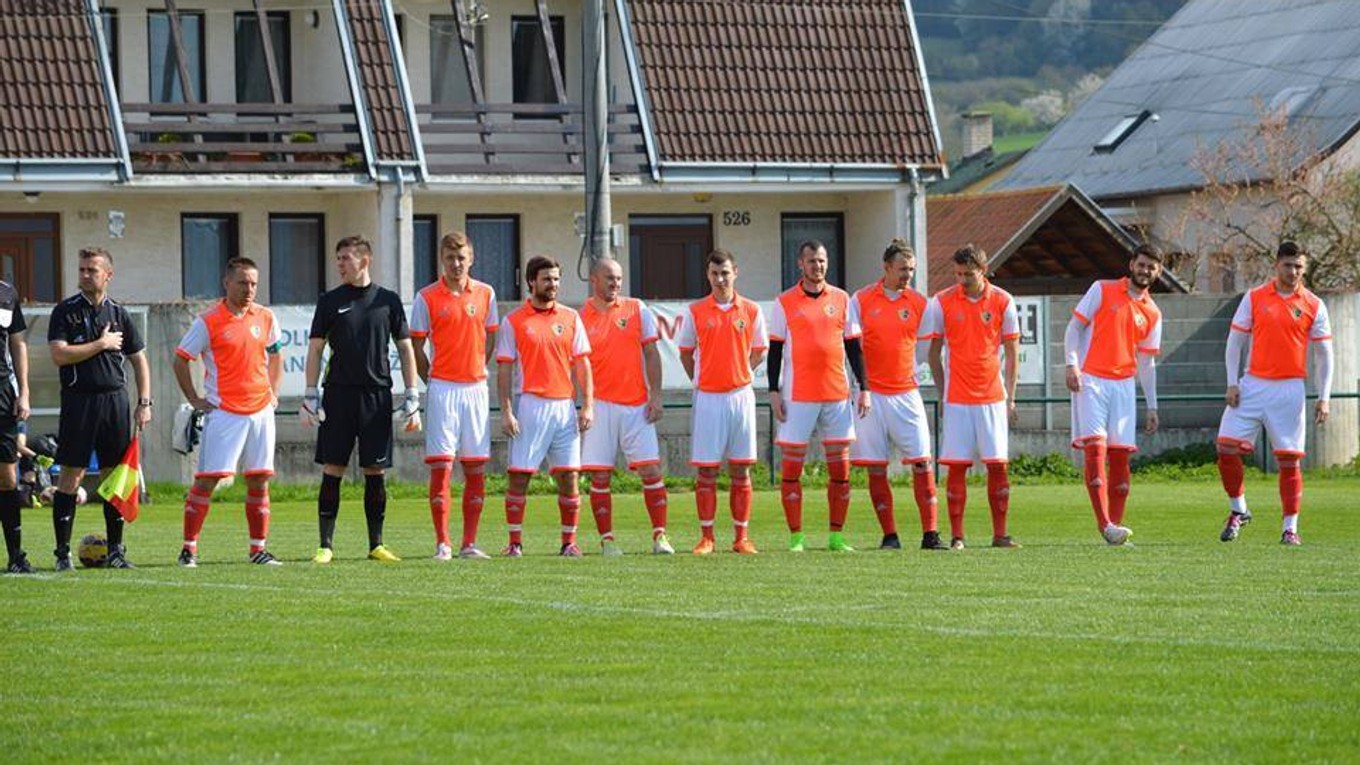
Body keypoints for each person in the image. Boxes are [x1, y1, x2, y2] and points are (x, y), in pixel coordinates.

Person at [301, 236, 420, 564]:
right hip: (338, 395)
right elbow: (315, 348)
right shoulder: (329, 301)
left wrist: (412, 394)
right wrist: (310, 393)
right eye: (337, 258)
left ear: (364, 260)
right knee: (332, 468)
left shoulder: (389, 301)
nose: (339, 265)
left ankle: (376, 545)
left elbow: (405, 348)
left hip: (376, 396)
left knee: (375, 471)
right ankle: (325, 545)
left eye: (345, 259)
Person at [1216, 242, 1333, 545]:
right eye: (1287, 265)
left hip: (1290, 389)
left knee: (1289, 462)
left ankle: (1289, 528)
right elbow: (1235, 342)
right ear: (1276, 264)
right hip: (1251, 385)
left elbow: (1324, 354)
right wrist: (1232, 382)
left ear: (1303, 269)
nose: (1293, 271)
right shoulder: (1254, 298)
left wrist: (1324, 396)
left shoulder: (1314, 304)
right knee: (1226, 447)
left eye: (1298, 266)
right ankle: (1239, 509)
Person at [171, 257, 283, 566]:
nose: (249, 289)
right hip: (225, 412)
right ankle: (188, 549)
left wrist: (273, 391)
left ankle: (257, 549)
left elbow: (275, 355)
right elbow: (181, 359)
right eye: (242, 283)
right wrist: (194, 398)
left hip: (261, 410)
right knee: (208, 479)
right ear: (227, 283)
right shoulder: (208, 321)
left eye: (254, 284)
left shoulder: (266, 317)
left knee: (259, 479)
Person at [46, 247, 153, 570]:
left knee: (114, 476)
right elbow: (59, 355)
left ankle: (116, 552)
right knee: (71, 475)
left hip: (115, 401)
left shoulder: (119, 313)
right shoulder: (65, 312)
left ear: (108, 274)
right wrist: (101, 344)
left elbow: (139, 359)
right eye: (81, 269)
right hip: (80, 401)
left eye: (91, 270)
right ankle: (63, 553)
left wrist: (144, 402)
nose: (84, 275)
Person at [768, 241, 868, 552]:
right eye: (812, 261)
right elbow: (774, 350)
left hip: (837, 394)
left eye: (822, 260)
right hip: (798, 396)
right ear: (801, 264)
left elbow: (853, 346)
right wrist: (773, 391)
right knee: (791, 470)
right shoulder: (784, 302)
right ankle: (796, 538)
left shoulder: (842, 299)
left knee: (841, 471)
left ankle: (836, 537)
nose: (818, 266)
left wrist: (864, 388)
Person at [1064, 244, 1163, 546]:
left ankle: (1115, 528)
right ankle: (1105, 524)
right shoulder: (1102, 289)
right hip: (1091, 380)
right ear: (1132, 264)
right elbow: (1074, 328)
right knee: (1095, 450)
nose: (1145, 270)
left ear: (1157, 273)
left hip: (1123, 385)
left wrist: (1152, 405)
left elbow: (1146, 363)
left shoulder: (1153, 312)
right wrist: (1071, 364)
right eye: (1142, 264)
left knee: (1120, 457)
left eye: (1152, 267)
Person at [923, 245, 1020, 550]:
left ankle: (1000, 534)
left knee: (997, 465)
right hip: (958, 399)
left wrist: (1010, 398)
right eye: (958, 273)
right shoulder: (942, 301)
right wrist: (943, 392)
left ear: (983, 268)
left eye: (968, 273)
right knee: (957, 466)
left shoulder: (1003, 300)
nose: (962, 279)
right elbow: (933, 354)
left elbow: (1013, 354)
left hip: (992, 397)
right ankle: (957, 537)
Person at [849, 238, 943, 550]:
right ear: (886, 267)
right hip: (870, 395)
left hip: (906, 393)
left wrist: (902, 372)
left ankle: (930, 534)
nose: (908, 275)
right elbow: (852, 346)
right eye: (903, 269)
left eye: (912, 270)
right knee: (876, 466)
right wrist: (864, 385)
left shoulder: (919, 303)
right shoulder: (860, 299)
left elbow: (921, 349)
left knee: (922, 462)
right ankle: (890, 535)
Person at [496, 255, 593, 557]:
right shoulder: (513, 321)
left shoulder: (571, 318)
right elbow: (504, 369)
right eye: (546, 279)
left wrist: (587, 405)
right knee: (520, 475)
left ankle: (569, 543)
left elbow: (583, 365)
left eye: (556, 279)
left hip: (564, 408)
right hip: (531, 406)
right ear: (531, 282)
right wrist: (507, 411)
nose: (553, 285)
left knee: (569, 475)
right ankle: (514, 544)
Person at [410, 231, 499, 560]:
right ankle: (443, 543)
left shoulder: (486, 294)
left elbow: (490, 338)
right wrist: (430, 378)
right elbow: (415, 346)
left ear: (471, 259)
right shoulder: (426, 297)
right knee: (442, 466)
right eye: (450, 258)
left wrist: (476, 364)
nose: (456, 263)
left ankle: (469, 543)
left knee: (475, 467)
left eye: (462, 257)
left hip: (476, 387)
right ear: (441, 261)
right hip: (443, 389)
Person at [677, 249, 768, 555]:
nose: (720, 279)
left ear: (735, 272)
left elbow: (759, 350)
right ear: (708, 275)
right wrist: (703, 378)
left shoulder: (753, 310)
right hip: (708, 398)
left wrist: (740, 370)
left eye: (725, 273)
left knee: (741, 469)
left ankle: (741, 538)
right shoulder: (696, 311)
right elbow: (686, 352)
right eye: (715, 273)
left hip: (740, 395)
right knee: (706, 470)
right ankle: (707, 537)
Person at [579, 258, 672, 555]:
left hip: (636, 405)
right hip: (601, 406)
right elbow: (577, 365)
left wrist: (655, 396)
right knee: (600, 475)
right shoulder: (580, 317)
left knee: (651, 470)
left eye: (619, 278)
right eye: (609, 278)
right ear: (594, 279)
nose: (615, 284)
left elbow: (651, 353)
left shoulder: (637, 308)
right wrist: (584, 404)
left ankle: (660, 537)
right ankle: (607, 540)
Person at [0, 277, 32, 574]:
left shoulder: (7, 292)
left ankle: (16, 556)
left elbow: (18, 342)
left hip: (2, 394)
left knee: (8, 477)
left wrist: (23, 391)